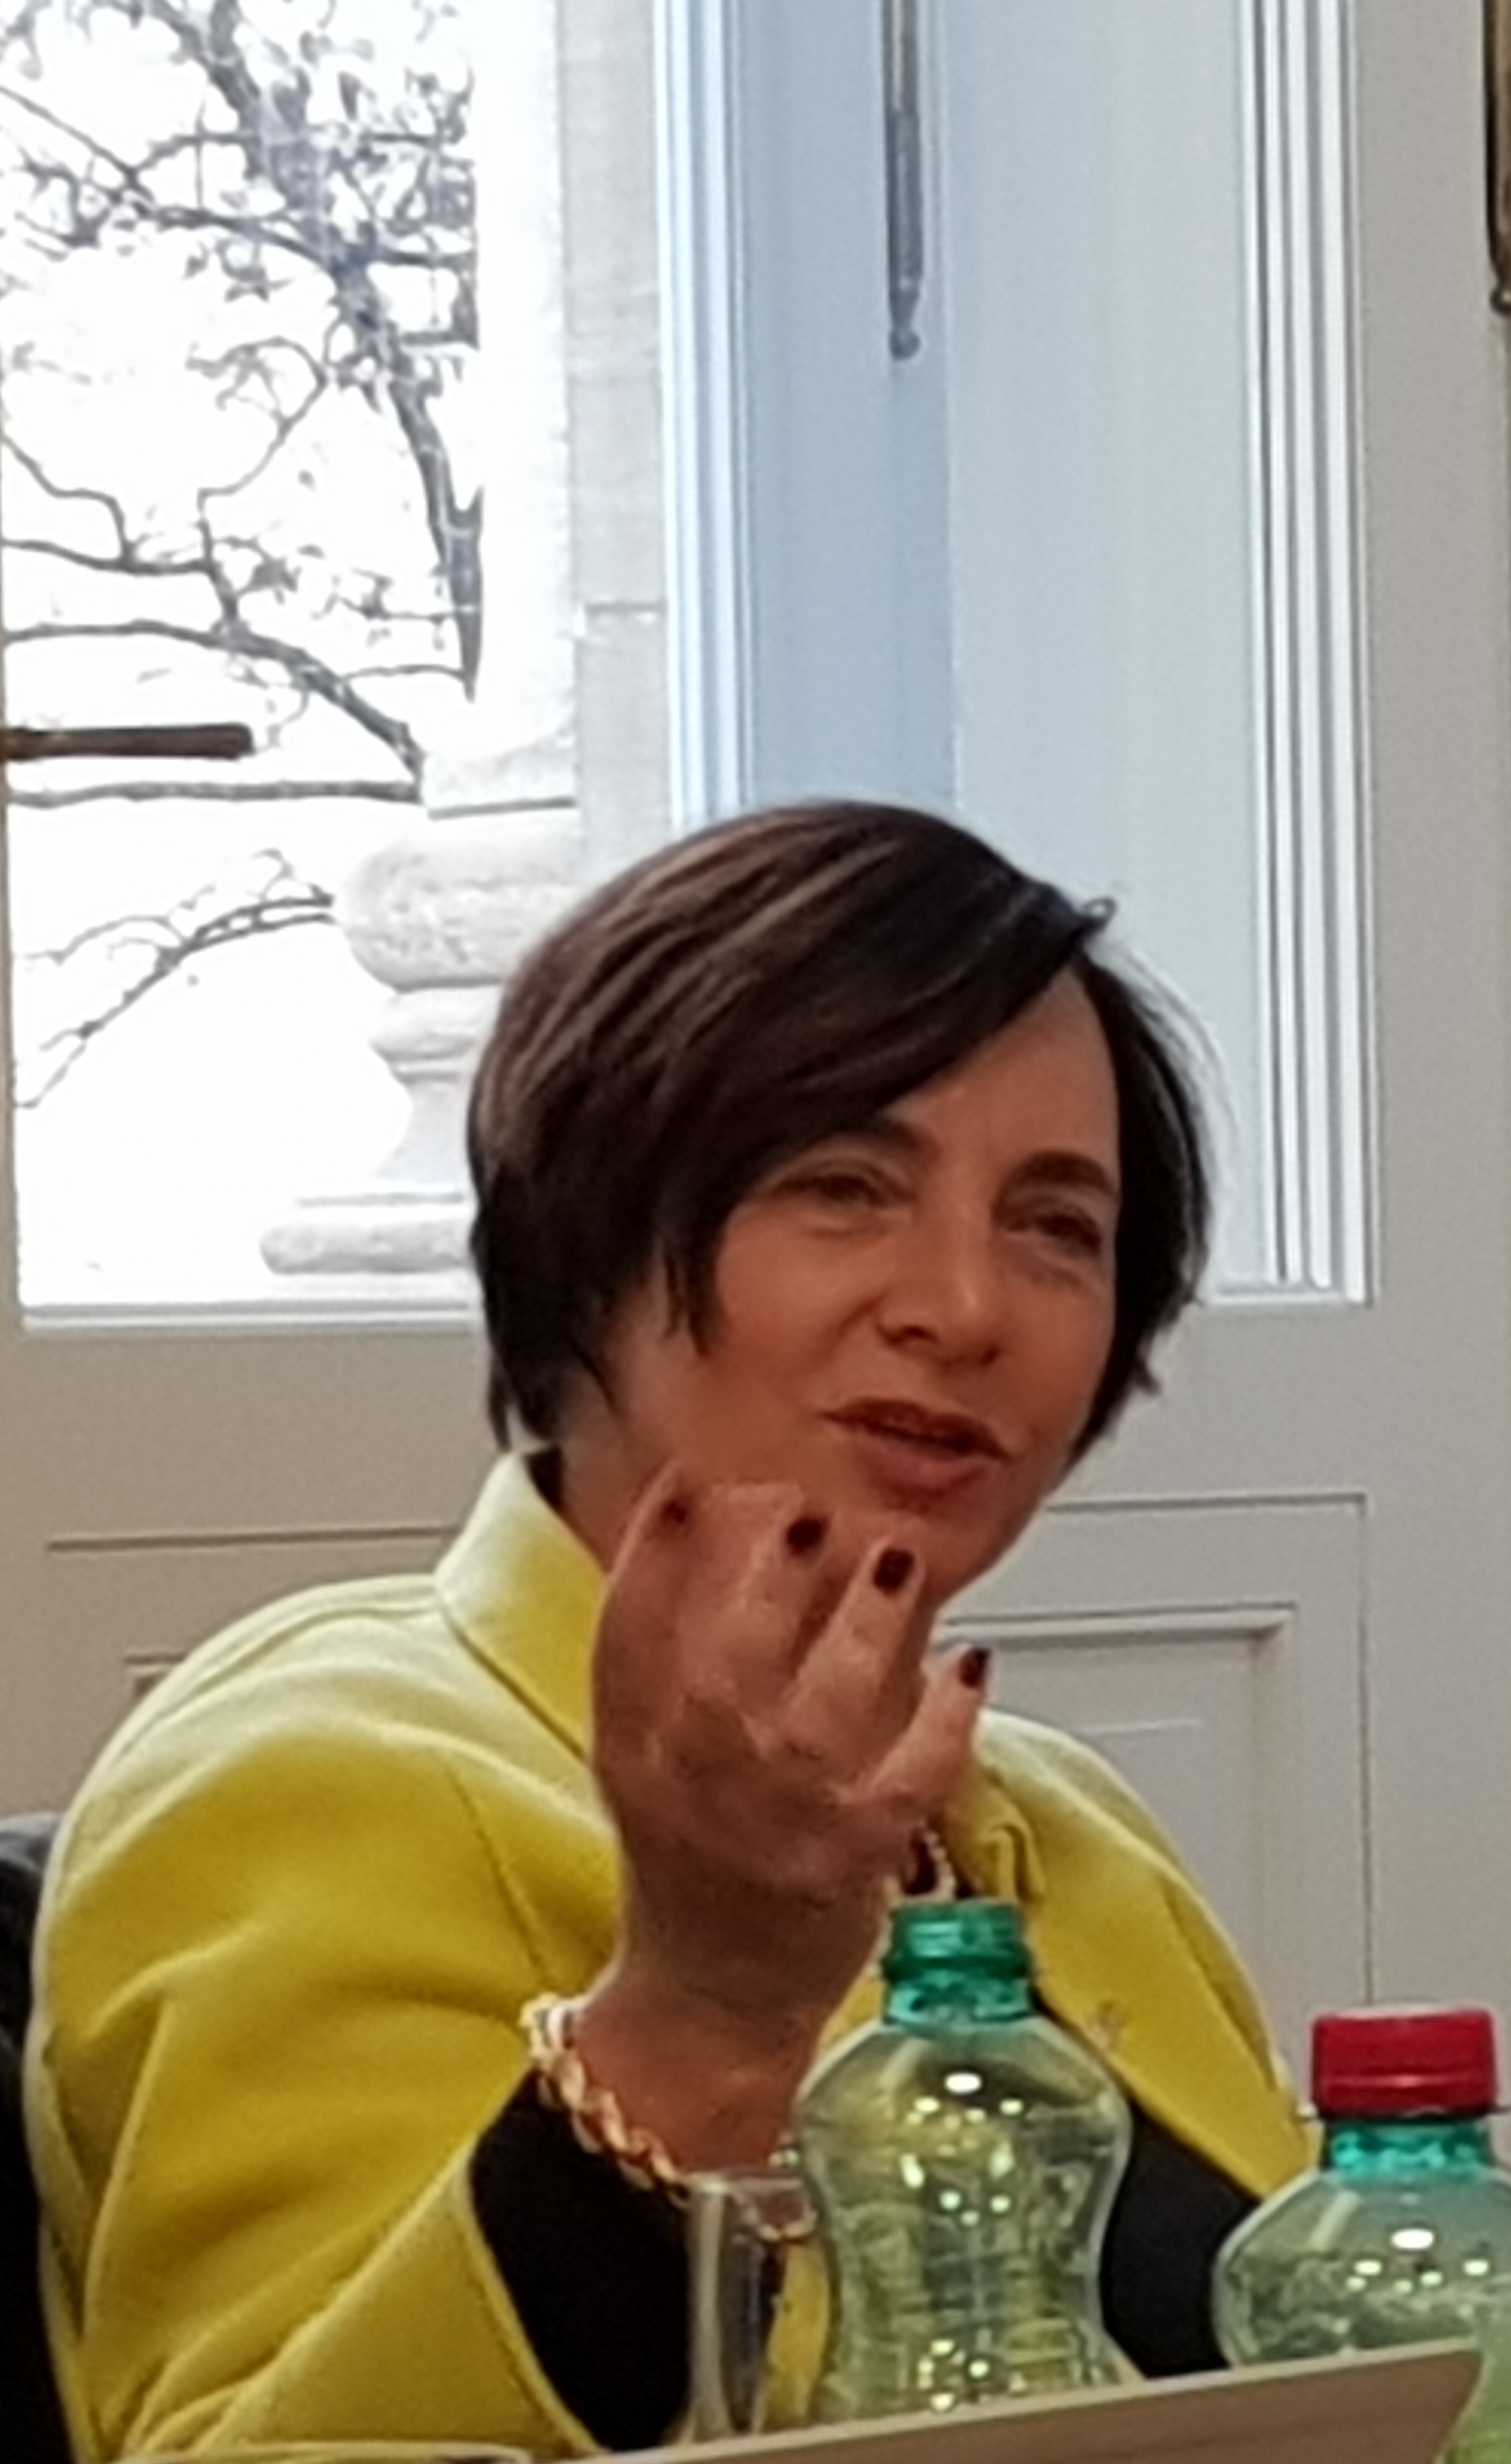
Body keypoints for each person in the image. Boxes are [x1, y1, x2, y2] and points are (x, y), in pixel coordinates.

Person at [26, 805, 1302, 2457]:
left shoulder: (1066, 1828)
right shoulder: (307, 1772)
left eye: (1056, 1225)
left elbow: (1409, 2371)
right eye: (843, 1187)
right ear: (592, 1234)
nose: (965, 1307)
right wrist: (699, 2015)